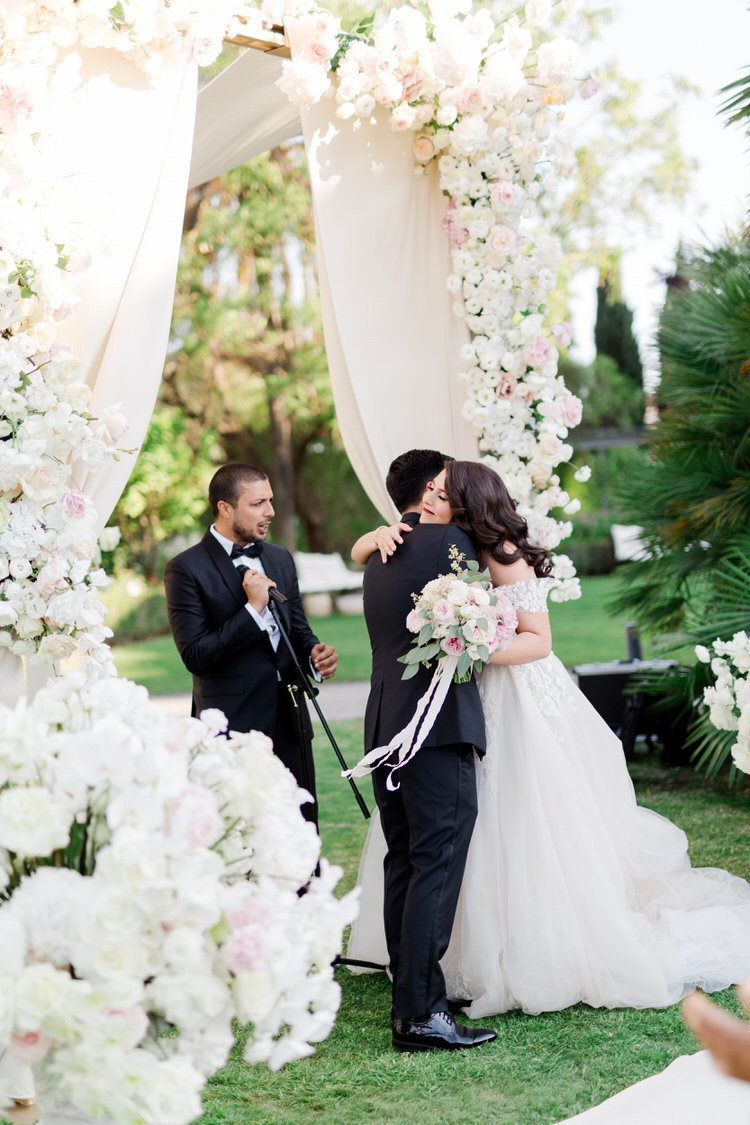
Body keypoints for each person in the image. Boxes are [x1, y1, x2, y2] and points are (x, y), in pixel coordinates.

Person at [349, 459, 750, 1017]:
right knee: (463, 829)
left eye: (441, 494)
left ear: (467, 503)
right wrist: (370, 539)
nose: (428, 503)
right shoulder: (444, 548)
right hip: (463, 691)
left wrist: (473, 646)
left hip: (511, 692)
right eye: (431, 493)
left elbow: (538, 640)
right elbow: (376, 557)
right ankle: (441, 962)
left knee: (519, 819)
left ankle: (521, 950)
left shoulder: (502, 555)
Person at [354, 449, 496, 1053]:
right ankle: (419, 1014)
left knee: (405, 861)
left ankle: (407, 994)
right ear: (436, 488)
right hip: (434, 728)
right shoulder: (453, 545)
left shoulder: (380, 553)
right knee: (435, 862)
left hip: (384, 723)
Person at [164, 462, 337, 824]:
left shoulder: (280, 558)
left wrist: (315, 655)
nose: (270, 512)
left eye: (270, 501)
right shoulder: (186, 568)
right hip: (232, 729)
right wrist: (253, 609)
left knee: (299, 828)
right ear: (225, 508)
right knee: (242, 835)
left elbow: (298, 630)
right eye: (258, 503)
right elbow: (196, 655)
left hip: (290, 722)